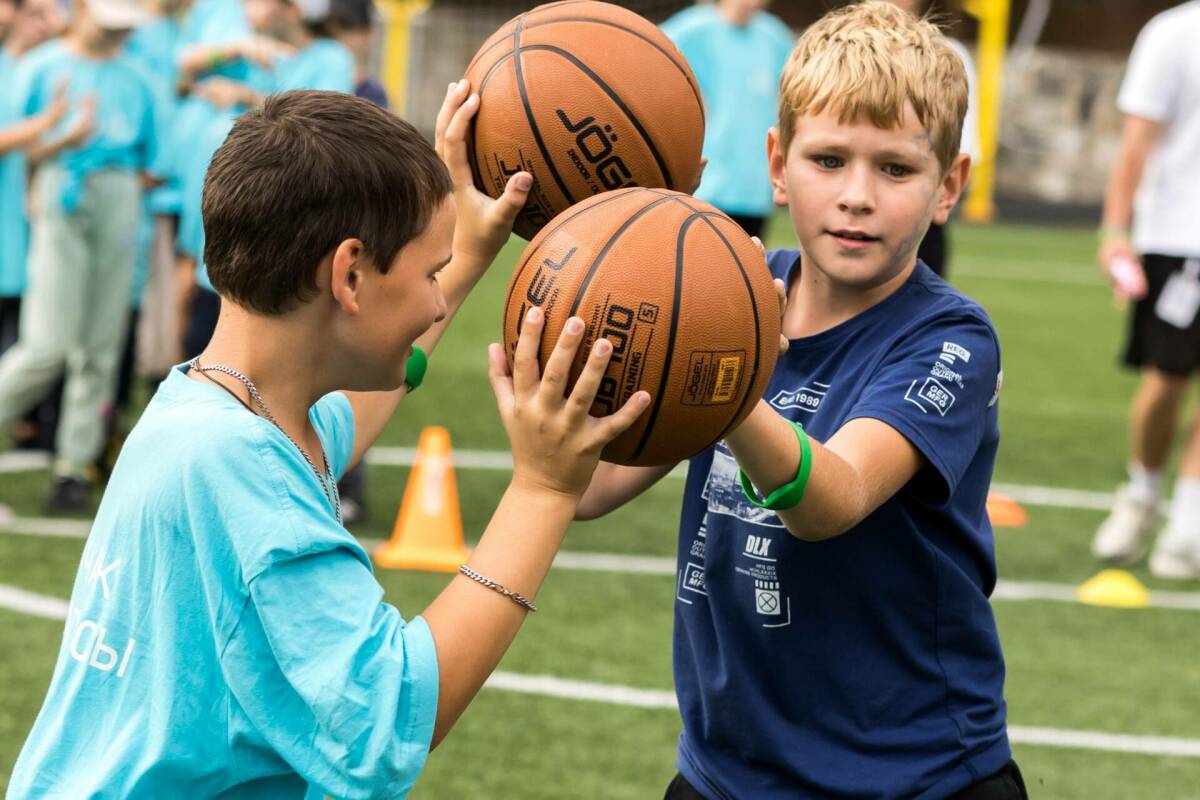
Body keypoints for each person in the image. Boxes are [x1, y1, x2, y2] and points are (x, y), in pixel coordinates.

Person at [8, 86, 651, 797]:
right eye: (431, 274)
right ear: (349, 274)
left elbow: (347, 418)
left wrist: (469, 249)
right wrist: (544, 488)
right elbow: (388, 715)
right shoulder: (237, 466)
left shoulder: (212, 407)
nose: (439, 302)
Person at [578, 3, 1022, 797]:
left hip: (915, 776)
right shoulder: (730, 297)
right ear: (777, 164)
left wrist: (722, 374)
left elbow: (832, 499)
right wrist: (557, 412)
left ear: (948, 185)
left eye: (895, 168)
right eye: (827, 160)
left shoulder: (952, 338)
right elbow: (593, 488)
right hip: (724, 771)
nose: (856, 196)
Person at [0, 0, 161, 513]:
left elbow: (152, 160)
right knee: (46, 344)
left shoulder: (137, 76)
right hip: (60, 188)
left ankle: (74, 465)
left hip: (118, 193)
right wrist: (62, 140)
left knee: (101, 344)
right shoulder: (41, 66)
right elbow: (22, 146)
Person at [1091, 0, 1200, 579]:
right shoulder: (1175, 33)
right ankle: (1143, 493)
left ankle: (1189, 521)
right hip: (1180, 239)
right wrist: (1115, 230)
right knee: (1165, 382)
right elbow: (1136, 140)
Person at [660, 0, 793, 240]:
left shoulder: (775, 37)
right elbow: (647, 69)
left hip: (754, 188)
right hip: (708, 185)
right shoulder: (690, 29)